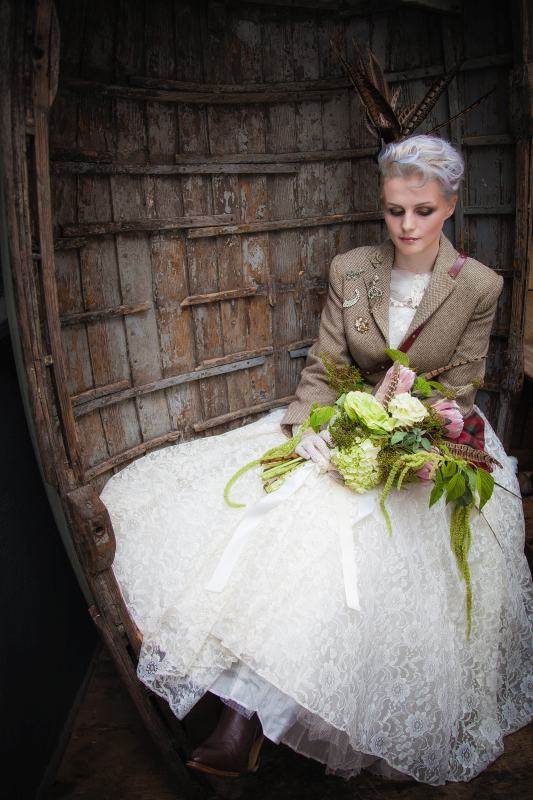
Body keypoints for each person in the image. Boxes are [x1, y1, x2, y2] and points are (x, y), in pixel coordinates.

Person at [100, 134, 532, 786]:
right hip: (344, 418)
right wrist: (307, 429)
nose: (407, 225)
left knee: (350, 543)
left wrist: (405, 420)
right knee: (274, 512)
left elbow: (461, 385)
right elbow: (322, 370)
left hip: (430, 434)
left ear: (447, 206)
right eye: (394, 211)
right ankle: (243, 710)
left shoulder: (476, 285)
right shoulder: (350, 270)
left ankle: (247, 714)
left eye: (422, 210)